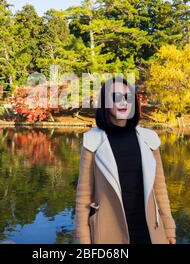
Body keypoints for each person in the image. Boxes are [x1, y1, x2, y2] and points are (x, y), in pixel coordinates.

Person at [75, 77, 176, 244]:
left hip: (150, 231)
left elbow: (160, 190)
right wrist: (83, 240)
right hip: (108, 233)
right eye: (116, 97)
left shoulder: (149, 139)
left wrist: (169, 229)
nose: (123, 102)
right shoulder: (92, 141)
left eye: (128, 97)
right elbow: (83, 197)